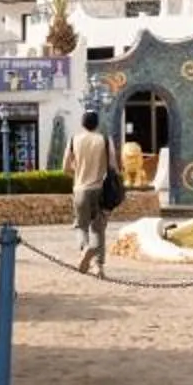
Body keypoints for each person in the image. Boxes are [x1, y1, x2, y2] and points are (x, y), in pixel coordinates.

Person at [69, 108, 117, 275]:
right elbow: (113, 166)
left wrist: (78, 171)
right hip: (100, 190)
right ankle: (98, 266)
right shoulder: (105, 140)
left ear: (82, 123)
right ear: (97, 124)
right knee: (98, 229)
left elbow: (65, 167)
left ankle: (85, 249)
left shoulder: (74, 139)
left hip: (80, 189)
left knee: (80, 226)